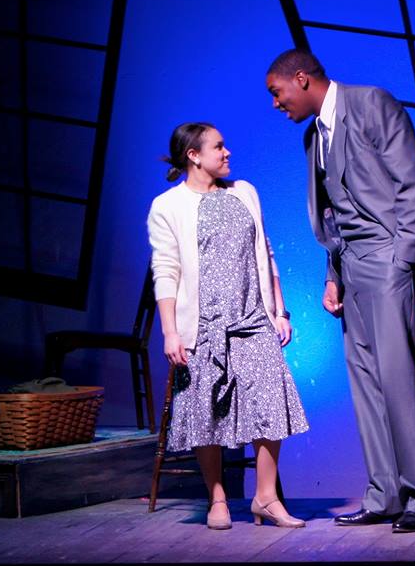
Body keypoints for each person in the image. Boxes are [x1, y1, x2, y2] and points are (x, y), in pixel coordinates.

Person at [265, 49, 415, 533]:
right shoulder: (314, 136)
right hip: (351, 264)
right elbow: (330, 212)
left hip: (390, 257)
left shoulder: (372, 104)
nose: (276, 103)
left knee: (396, 378)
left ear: (301, 79)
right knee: (366, 384)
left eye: (277, 92)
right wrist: (334, 275)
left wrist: (403, 259)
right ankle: (385, 493)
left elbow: (413, 183)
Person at [147, 122, 309, 530]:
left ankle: (266, 497)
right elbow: (165, 272)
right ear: (194, 155)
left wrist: (280, 311)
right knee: (206, 413)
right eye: (218, 147)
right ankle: (217, 498)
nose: (227, 152)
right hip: (203, 325)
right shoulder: (168, 206)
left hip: (252, 318)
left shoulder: (244, 192)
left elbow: (266, 253)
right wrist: (170, 331)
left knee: (272, 404)